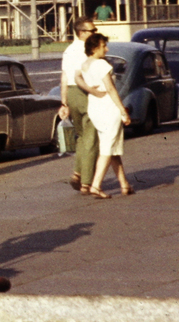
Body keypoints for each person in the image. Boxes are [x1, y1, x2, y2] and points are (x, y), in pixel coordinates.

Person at [80, 33, 133, 198]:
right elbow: (111, 89)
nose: (107, 49)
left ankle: (124, 184)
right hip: (108, 108)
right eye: (104, 46)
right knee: (107, 149)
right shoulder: (102, 65)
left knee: (111, 148)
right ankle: (96, 185)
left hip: (95, 108)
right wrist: (123, 111)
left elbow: (81, 80)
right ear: (95, 48)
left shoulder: (85, 65)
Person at [57, 16, 100, 190]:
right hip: (86, 92)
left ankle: (77, 172)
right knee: (91, 138)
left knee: (81, 136)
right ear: (82, 32)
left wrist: (64, 102)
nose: (95, 33)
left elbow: (64, 77)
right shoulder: (89, 50)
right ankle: (86, 182)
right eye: (92, 31)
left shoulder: (68, 50)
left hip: (72, 94)